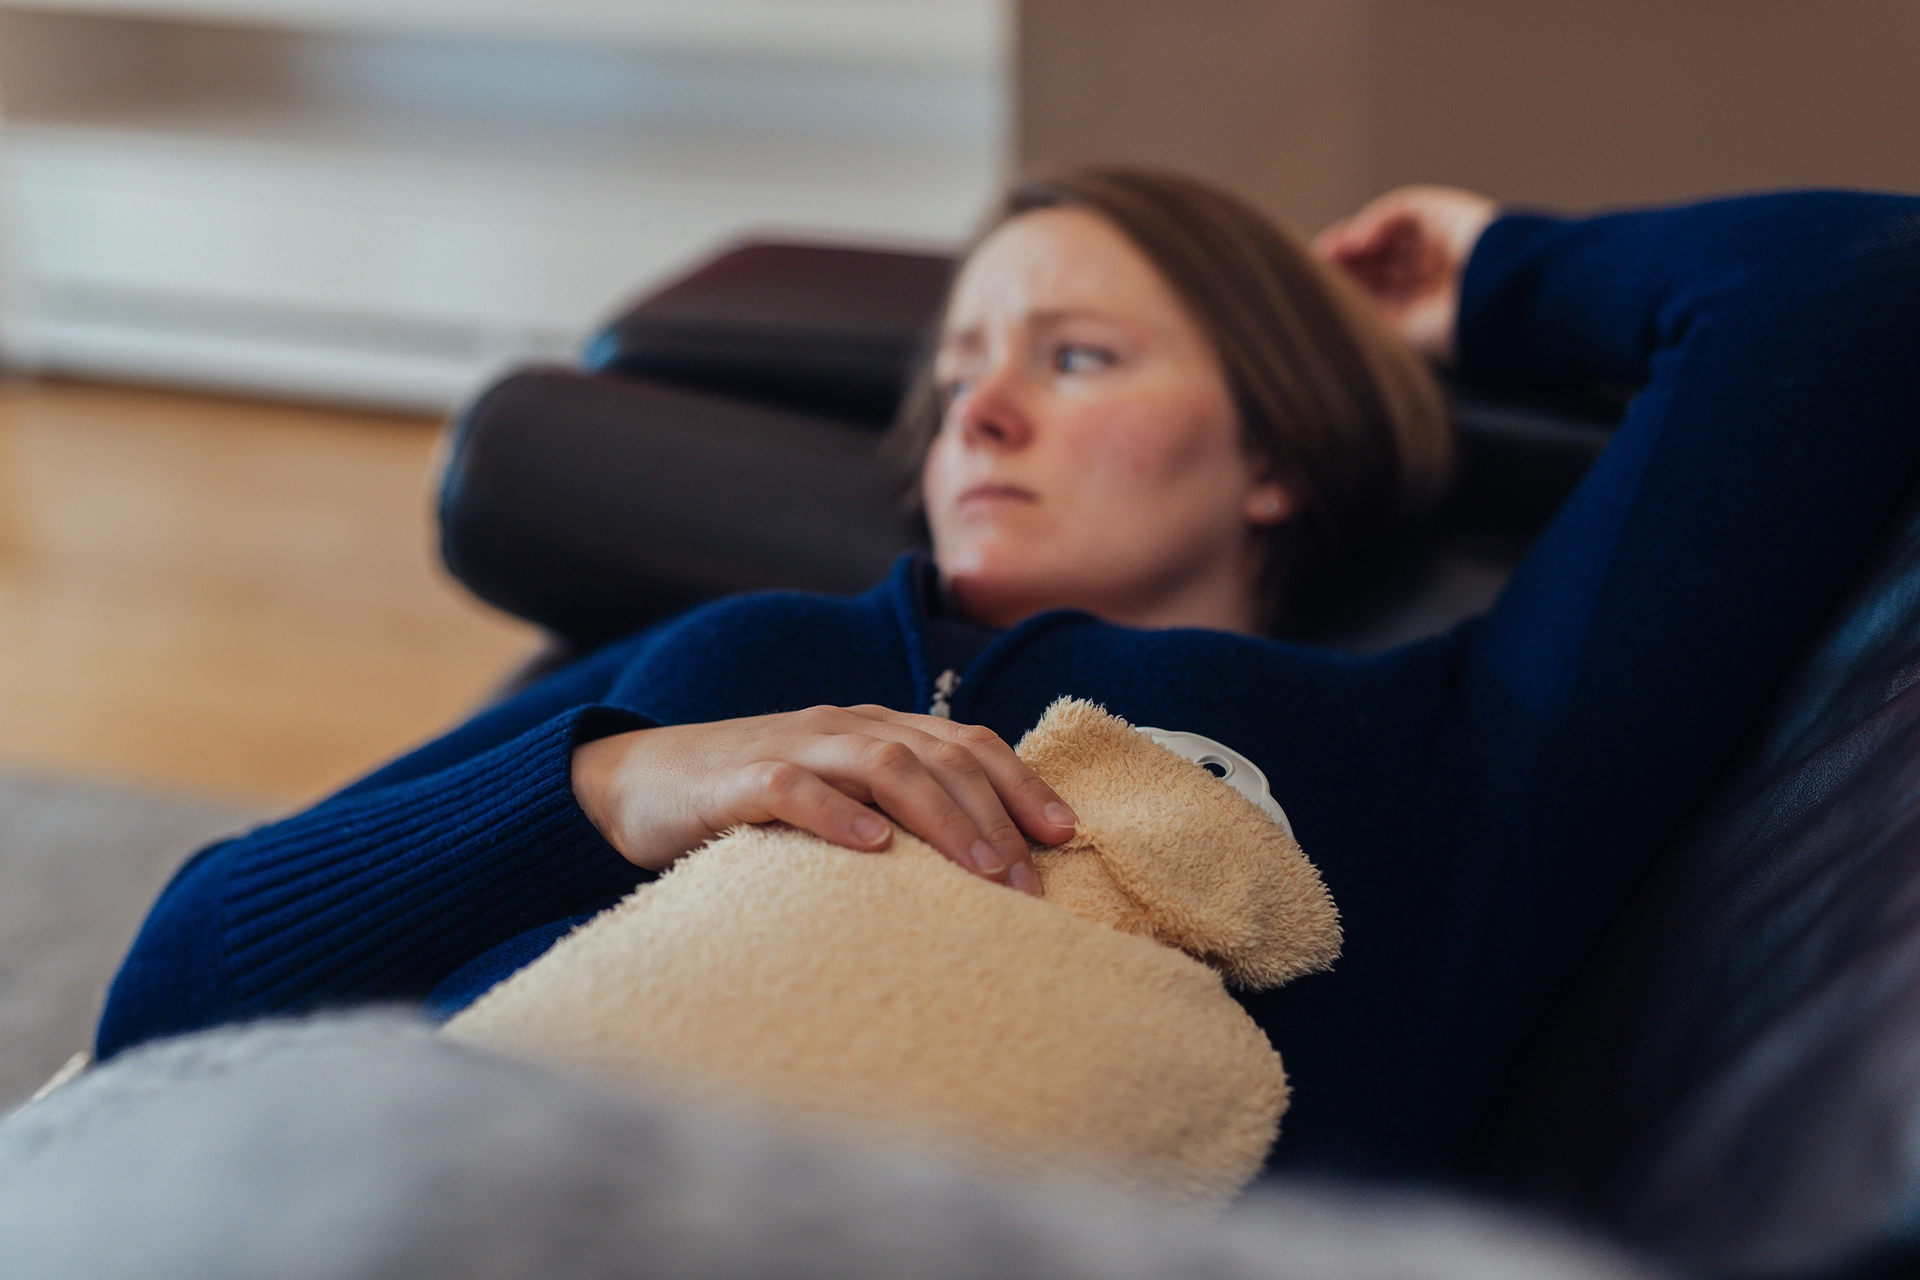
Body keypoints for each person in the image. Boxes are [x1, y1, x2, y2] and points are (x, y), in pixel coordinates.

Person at [96, 168, 1920, 1180]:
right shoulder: (737, 662)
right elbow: (175, 985)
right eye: (962, 362)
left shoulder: (1454, 747)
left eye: (1081, 352)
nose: (980, 401)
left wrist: (1484, 270)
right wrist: (606, 787)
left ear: (1274, 453)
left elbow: (1845, 285)